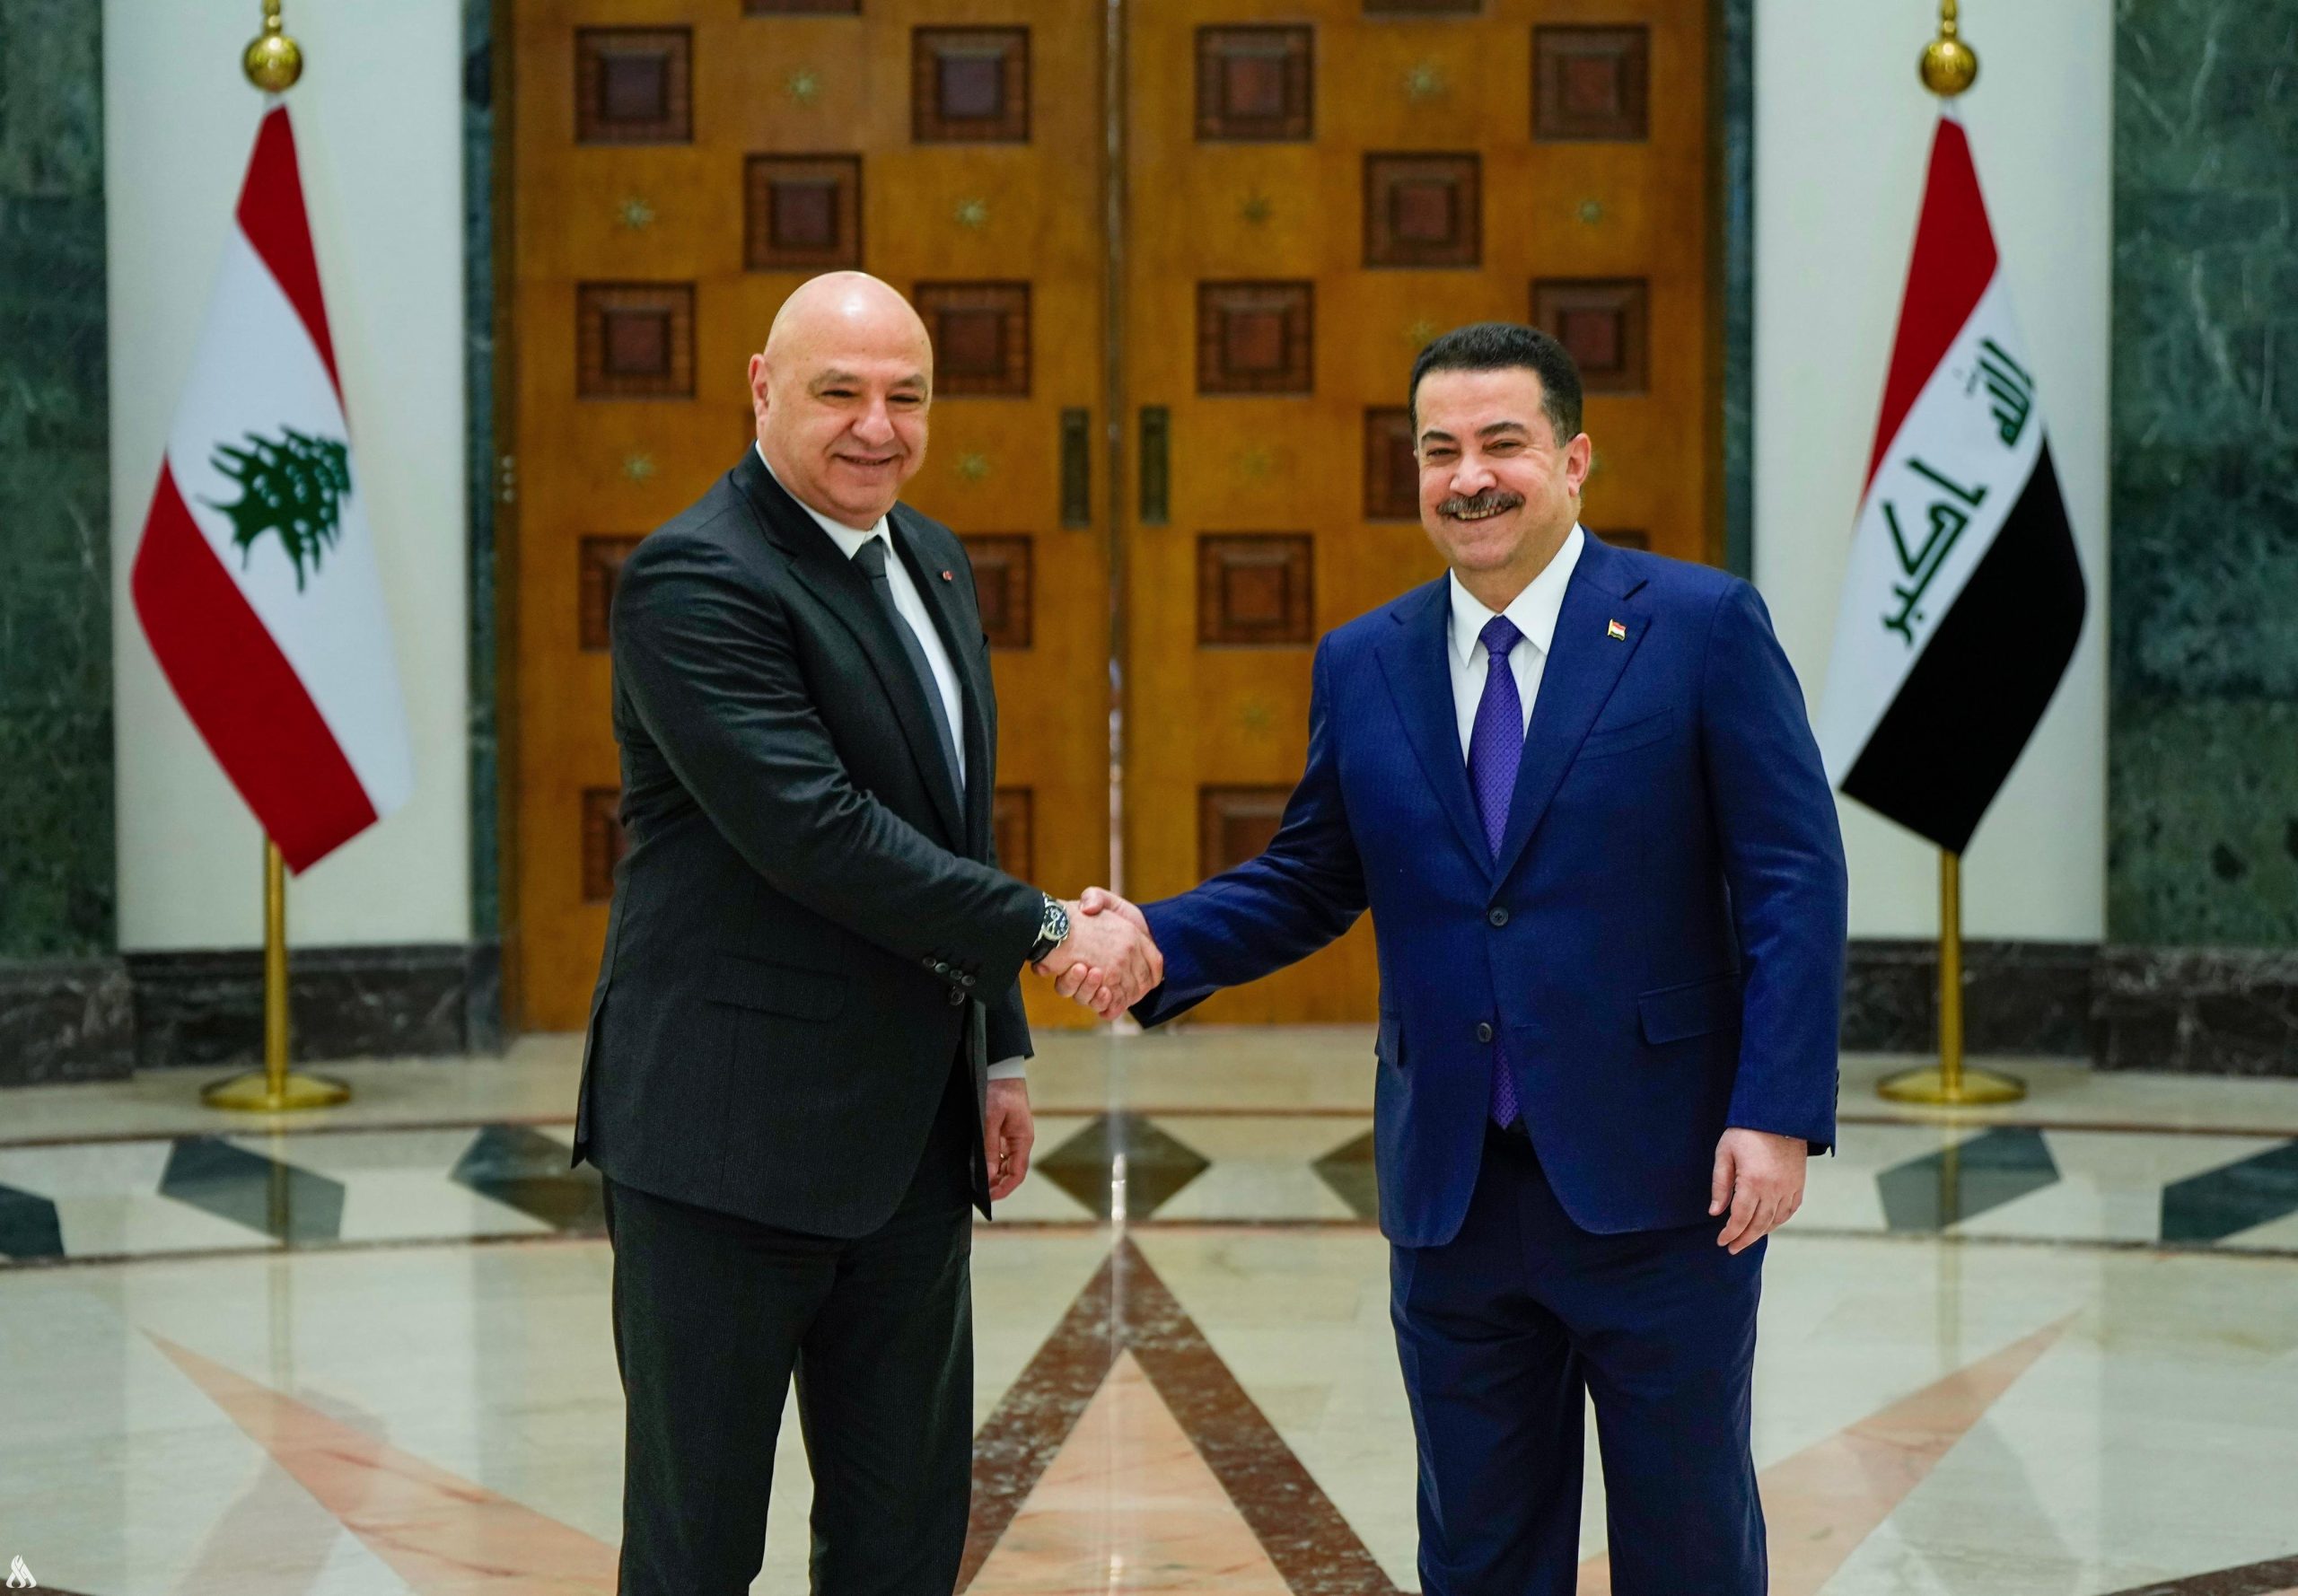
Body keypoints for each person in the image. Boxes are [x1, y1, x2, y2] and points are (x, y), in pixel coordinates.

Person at [1060, 322, 1847, 1593]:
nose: (1469, 477)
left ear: (1573, 459)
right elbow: (1312, 876)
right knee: (1479, 1552)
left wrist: (1776, 1110)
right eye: (1439, 451)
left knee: (1689, 1545)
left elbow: (1792, 879)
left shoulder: (1701, 627)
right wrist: (1156, 942)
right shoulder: (1365, 660)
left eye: (1502, 445)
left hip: (1663, 1178)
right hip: (1453, 1189)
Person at [572, 271, 1156, 1596]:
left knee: (902, 1539)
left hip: (906, 1146)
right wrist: (1050, 927)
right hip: (724, 1147)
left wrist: (999, 1054)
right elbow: (818, 832)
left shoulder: (929, 556)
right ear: (762, 388)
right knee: (697, 1547)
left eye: (907, 396)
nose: (877, 427)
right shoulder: (694, 577)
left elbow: (952, 822)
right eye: (840, 392)